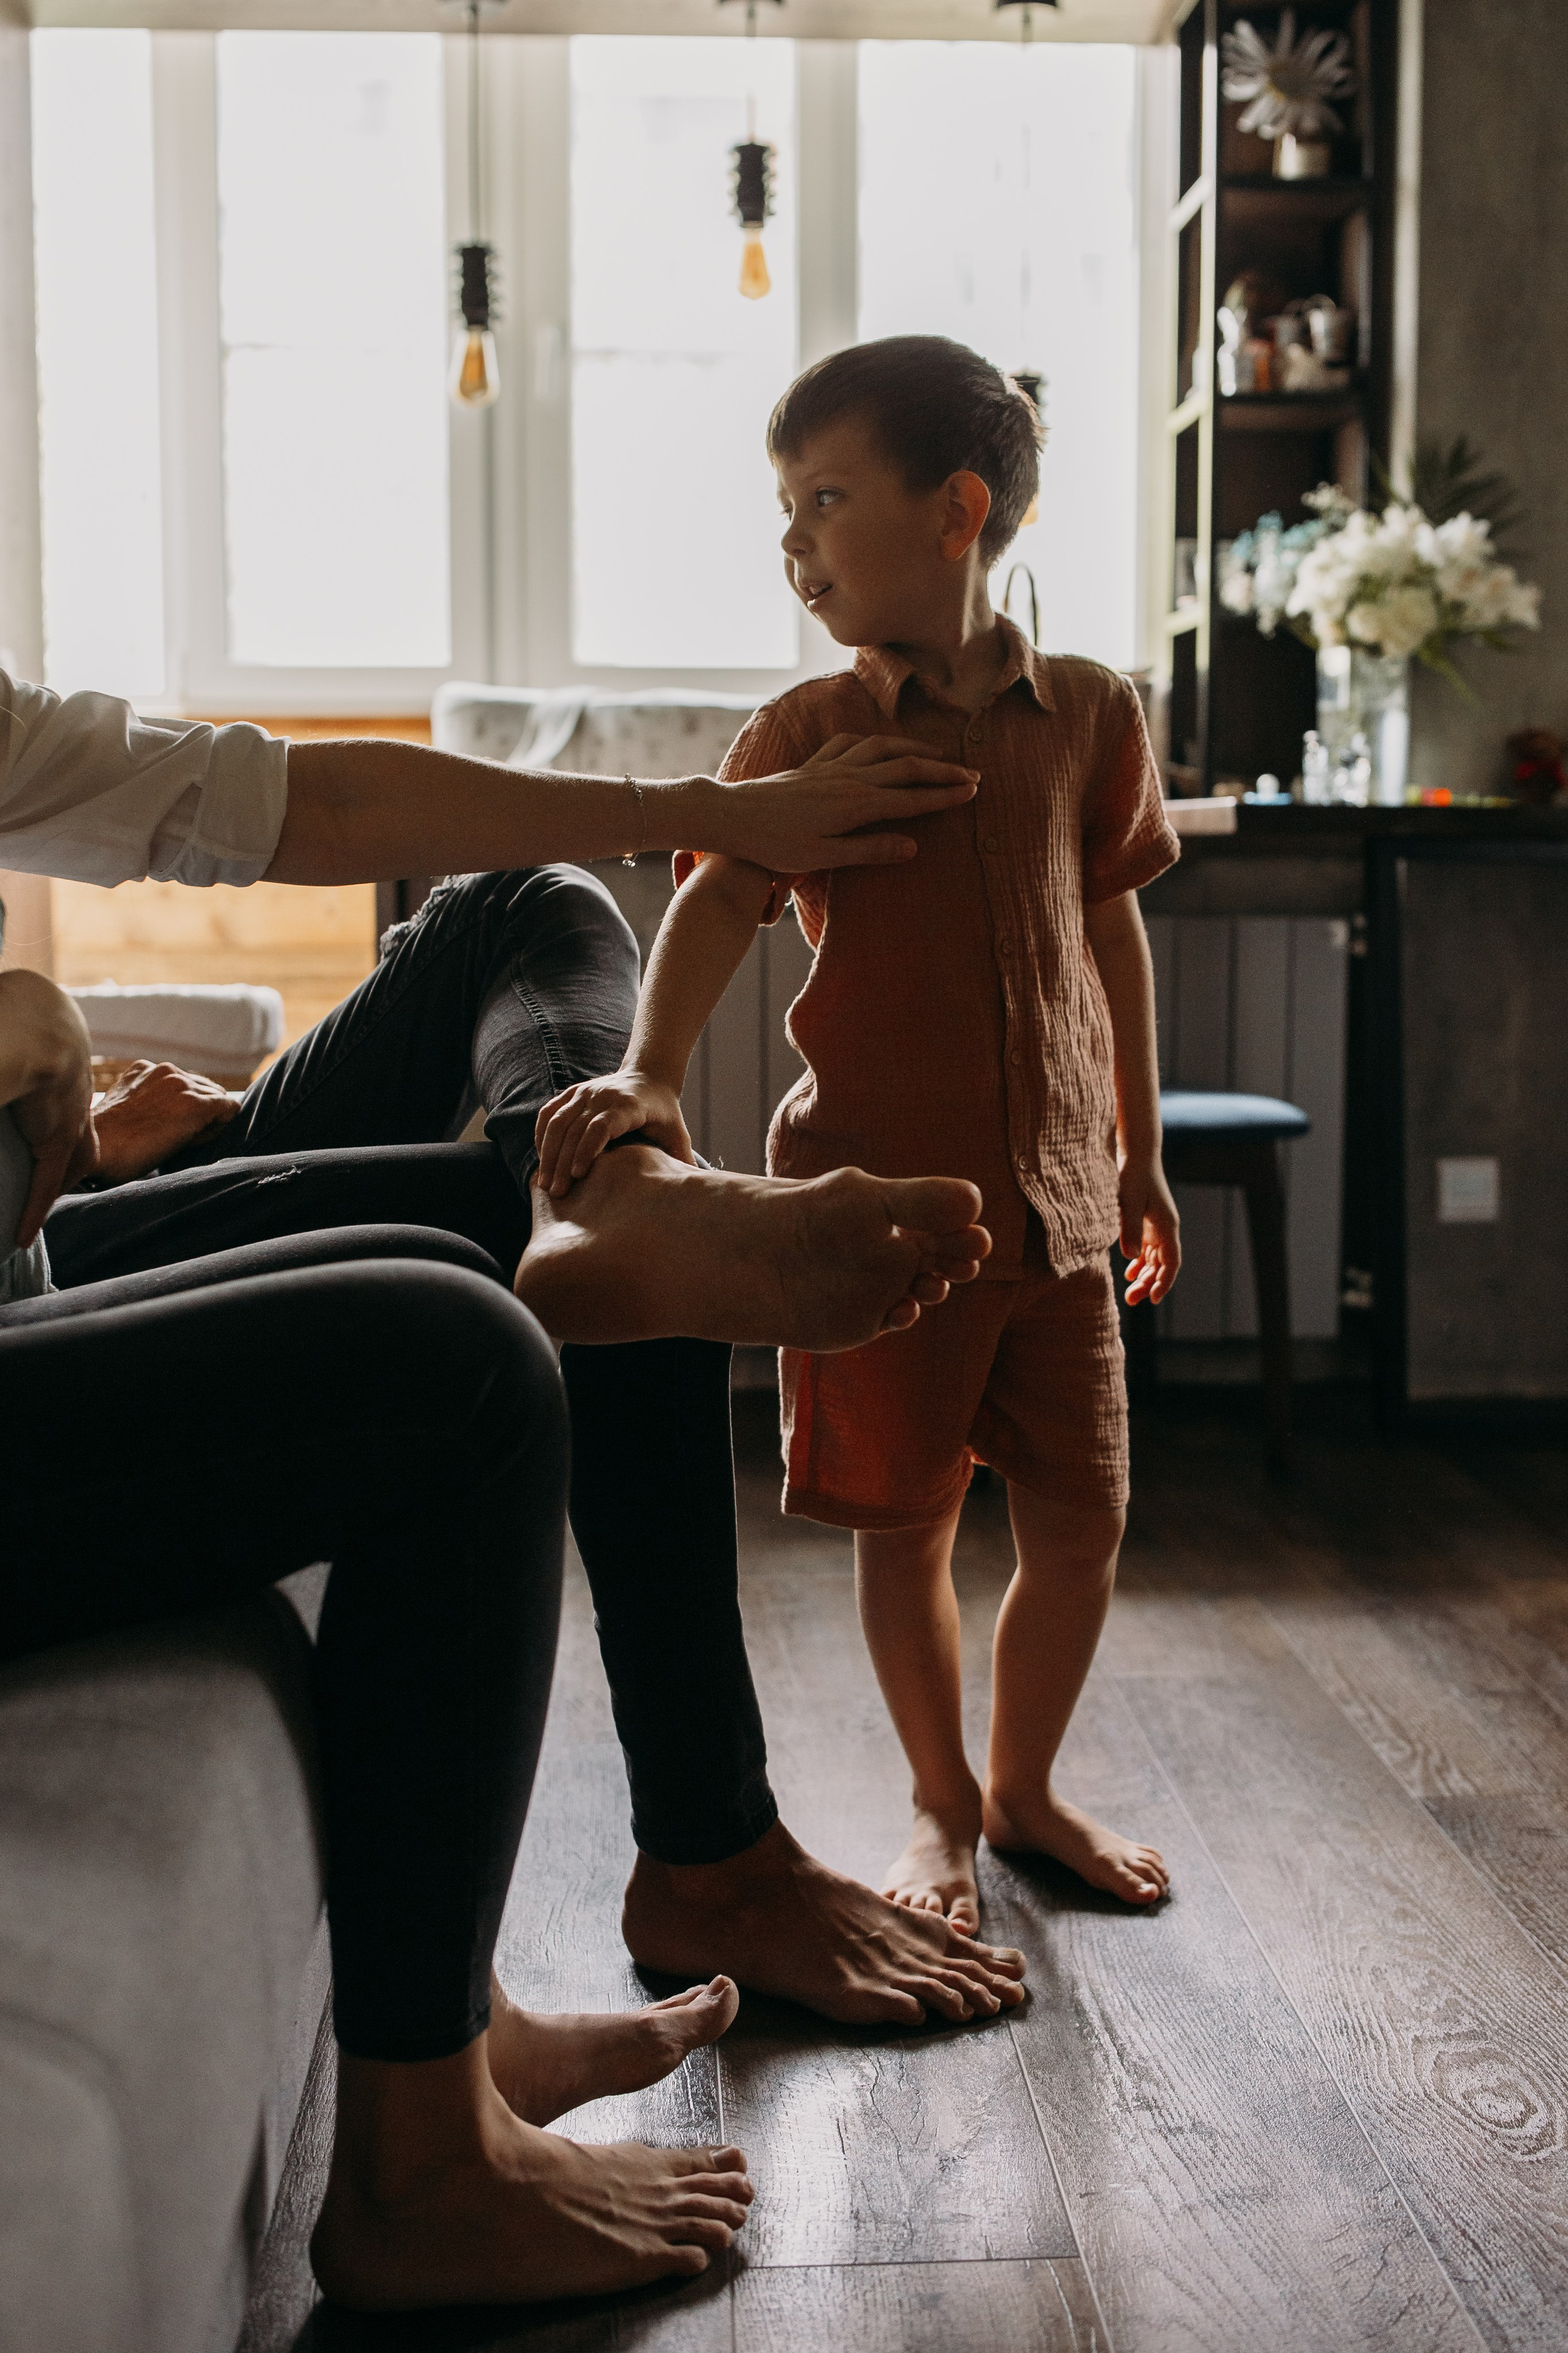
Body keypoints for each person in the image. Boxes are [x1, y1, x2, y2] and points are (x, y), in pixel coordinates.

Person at [0, 668, 1027, 2309]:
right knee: (467, 1352)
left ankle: (620, 1187)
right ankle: (425, 2162)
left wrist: (707, 813)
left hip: (44, 1239)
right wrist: (31, 1063)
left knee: (520, 926)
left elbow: (301, 801)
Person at [532, 335, 1184, 1944]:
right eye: (783, 509)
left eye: (824, 498)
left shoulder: (1091, 712)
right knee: (906, 1524)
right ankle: (936, 1804)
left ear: (957, 509)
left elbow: (1111, 939)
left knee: (1084, 1522)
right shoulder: (808, 728)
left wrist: (1140, 1147)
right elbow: (714, 899)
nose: (794, 544)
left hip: (1064, 1222)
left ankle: (1027, 1787)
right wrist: (657, 1079)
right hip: (873, 1234)